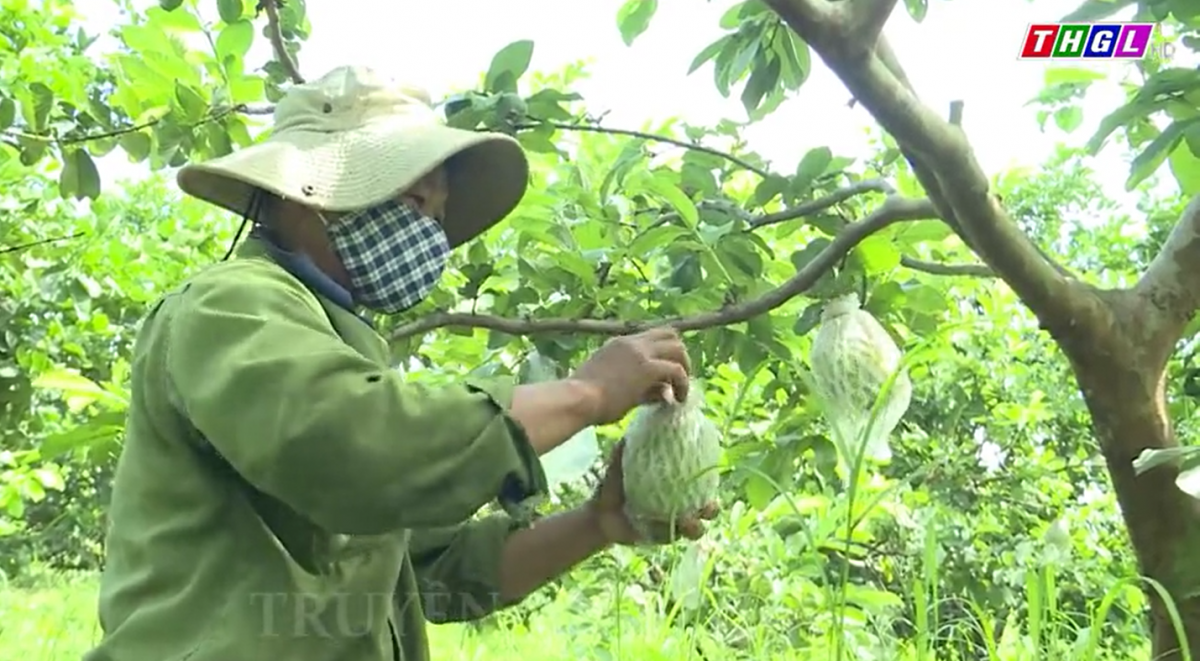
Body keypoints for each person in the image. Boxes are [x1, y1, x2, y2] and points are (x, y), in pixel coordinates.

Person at [83, 65, 718, 661]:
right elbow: (359, 447)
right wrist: (586, 395)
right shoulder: (229, 304)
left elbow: (432, 573)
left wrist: (598, 523)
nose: (430, 232)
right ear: (307, 192)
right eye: (414, 203)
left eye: (435, 215)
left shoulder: (337, 344)